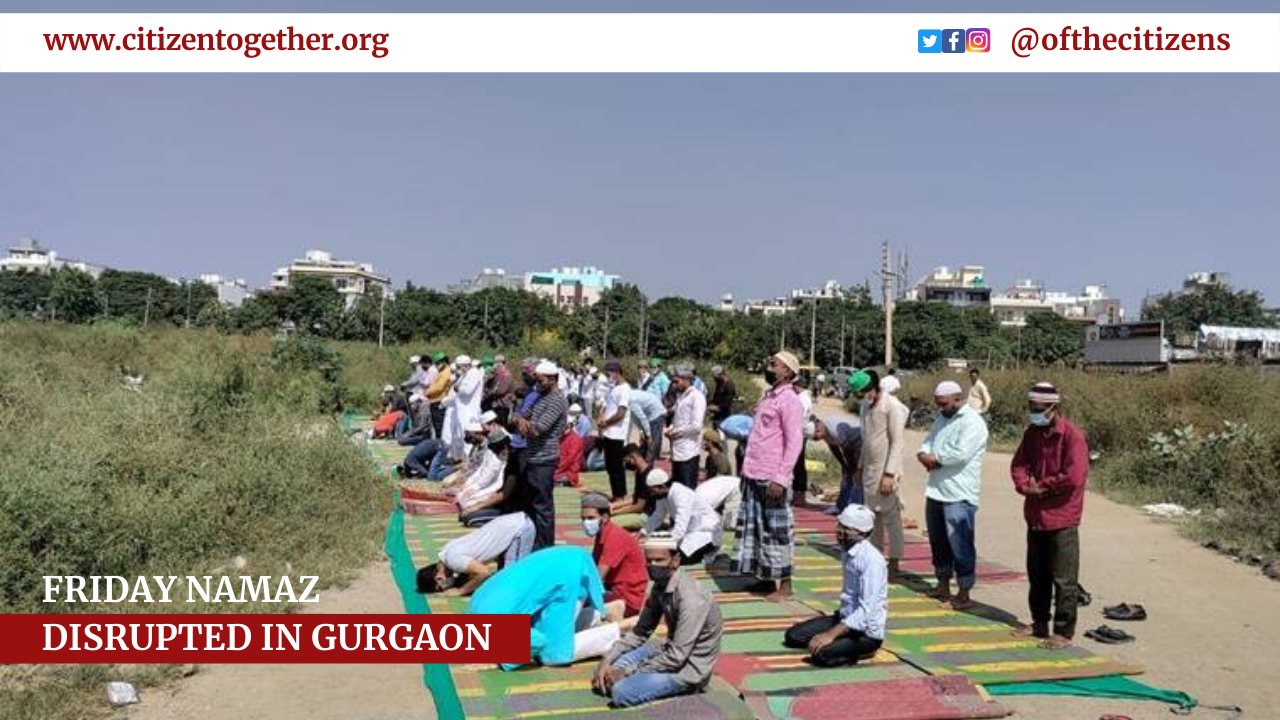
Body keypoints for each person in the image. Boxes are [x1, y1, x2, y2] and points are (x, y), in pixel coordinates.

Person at [593, 536, 723, 708]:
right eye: (649, 560)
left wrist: (627, 672)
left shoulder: (692, 598)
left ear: (675, 561)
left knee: (620, 692)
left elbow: (677, 658)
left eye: (659, 560)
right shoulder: (661, 585)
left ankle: (688, 692)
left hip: (687, 669)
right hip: (669, 651)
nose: (653, 565)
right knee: (612, 667)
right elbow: (640, 632)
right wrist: (606, 660)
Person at [1010, 382, 1090, 650]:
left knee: (1064, 578)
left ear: (1055, 408)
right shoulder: (1031, 433)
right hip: (1035, 515)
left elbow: (1074, 476)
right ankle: (1039, 622)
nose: (1035, 412)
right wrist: (1024, 486)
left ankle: (1064, 631)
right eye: (1032, 408)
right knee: (1037, 574)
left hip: (1062, 516)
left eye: (1040, 409)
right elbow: (1019, 465)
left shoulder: (1072, 436)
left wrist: (1042, 486)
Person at [734, 351, 805, 600]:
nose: (769, 367)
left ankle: (785, 585)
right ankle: (765, 578)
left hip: (772, 475)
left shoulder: (789, 400)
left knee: (778, 530)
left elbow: (794, 441)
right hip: (754, 472)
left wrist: (781, 477)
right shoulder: (769, 397)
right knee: (757, 529)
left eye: (774, 365)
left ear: (787, 371)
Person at [468, 546, 607, 671]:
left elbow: (537, 641)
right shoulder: (477, 614)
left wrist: (502, 663)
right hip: (560, 561)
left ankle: (622, 627)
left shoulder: (496, 629)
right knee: (546, 630)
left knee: (554, 656)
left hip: (568, 570)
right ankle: (599, 613)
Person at [782, 505, 887, 666]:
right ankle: (841, 639)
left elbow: (867, 610)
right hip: (844, 619)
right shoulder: (848, 550)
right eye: (840, 525)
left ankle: (861, 649)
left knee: (821, 655)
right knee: (793, 636)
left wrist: (831, 634)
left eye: (847, 529)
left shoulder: (872, 561)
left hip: (865, 633)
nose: (839, 531)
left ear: (863, 533)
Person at [917, 380, 989, 611]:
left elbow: (961, 454)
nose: (941, 408)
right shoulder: (941, 419)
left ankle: (964, 592)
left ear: (958, 399)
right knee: (938, 542)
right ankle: (942, 585)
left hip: (959, 493)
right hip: (936, 490)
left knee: (960, 545)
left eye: (944, 403)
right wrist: (923, 455)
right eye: (938, 404)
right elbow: (926, 443)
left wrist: (934, 459)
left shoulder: (972, 422)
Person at [850, 369, 909, 576]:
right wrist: (859, 467)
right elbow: (866, 440)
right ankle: (875, 559)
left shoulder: (891, 406)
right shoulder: (866, 406)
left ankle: (894, 563)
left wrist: (889, 474)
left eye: (861, 392)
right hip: (869, 470)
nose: (859, 397)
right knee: (871, 517)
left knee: (890, 517)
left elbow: (897, 442)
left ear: (872, 388)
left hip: (886, 470)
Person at [510, 360, 569, 550]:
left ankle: (545, 546)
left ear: (552, 379)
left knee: (543, 507)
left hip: (545, 458)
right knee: (532, 504)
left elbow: (537, 429)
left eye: (541, 380)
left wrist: (524, 423)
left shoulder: (557, 400)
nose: (537, 384)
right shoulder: (539, 397)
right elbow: (517, 417)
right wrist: (523, 422)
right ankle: (534, 541)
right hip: (533, 455)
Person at [416, 511, 536, 597]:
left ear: (439, 578)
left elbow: (484, 572)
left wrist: (461, 591)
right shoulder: (445, 552)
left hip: (519, 529)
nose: (447, 587)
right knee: (503, 578)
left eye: (442, 588)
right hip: (512, 521)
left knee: (512, 580)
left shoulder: (453, 561)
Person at [582, 492, 647, 633]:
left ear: (604, 517)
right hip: (614, 590)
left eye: (590, 518)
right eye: (583, 518)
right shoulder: (603, 534)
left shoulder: (614, 537)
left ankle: (624, 622)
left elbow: (597, 579)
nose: (586, 523)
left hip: (626, 598)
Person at [643, 469, 720, 565]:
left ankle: (710, 550)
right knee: (653, 543)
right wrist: (643, 532)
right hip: (687, 532)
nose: (651, 494)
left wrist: (664, 546)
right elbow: (658, 516)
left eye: (652, 491)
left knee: (677, 557)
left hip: (705, 533)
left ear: (662, 486)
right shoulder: (661, 495)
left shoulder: (681, 494)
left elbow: (680, 529)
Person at [665, 364, 707, 489]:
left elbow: (696, 427)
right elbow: (679, 419)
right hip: (678, 449)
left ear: (686, 379)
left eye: (676, 381)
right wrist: (671, 428)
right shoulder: (681, 396)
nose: (674, 385)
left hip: (688, 452)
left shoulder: (697, 397)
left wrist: (676, 432)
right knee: (677, 489)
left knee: (687, 490)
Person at [813, 412, 862, 516]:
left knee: (858, 477)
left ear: (819, 423)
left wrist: (852, 468)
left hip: (860, 443)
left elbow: (847, 450)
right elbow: (834, 449)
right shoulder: (824, 432)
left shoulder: (835, 430)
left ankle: (855, 509)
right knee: (846, 475)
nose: (817, 436)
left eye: (817, 432)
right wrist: (843, 465)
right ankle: (840, 507)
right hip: (850, 445)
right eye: (815, 438)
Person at [598, 360, 633, 501]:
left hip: (617, 434)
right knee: (610, 467)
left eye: (609, 373)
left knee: (617, 467)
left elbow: (621, 413)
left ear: (616, 372)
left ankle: (620, 495)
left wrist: (606, 423)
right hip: (609, 433)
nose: (608, 376)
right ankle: (616, 493)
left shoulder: (625, 389)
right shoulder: (614, 387)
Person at [611, 444, 657, 523]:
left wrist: (614, 512)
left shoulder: (647, 476)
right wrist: (613, 505)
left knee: (611, 522)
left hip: (647, 515)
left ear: (632, 456)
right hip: (641, 512)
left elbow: (639, 507)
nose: (626, 464)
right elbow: (635, 499)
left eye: (626, 460)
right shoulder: (640, 472)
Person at [790, 376, 814, 506]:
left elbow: (799, 417)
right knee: (798, 465)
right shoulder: (804, 398)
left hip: (798, 434)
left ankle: (799, 494)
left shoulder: (802, 399)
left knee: (798, 465)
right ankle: (798, 494)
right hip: (799, 434)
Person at [629, 386, 666, 465]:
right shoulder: (628, 397)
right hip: (650, 411)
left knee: (652, 440)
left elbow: (642, 418)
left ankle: (648, 463)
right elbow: (636, 418)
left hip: (656, 412)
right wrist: (642, 431)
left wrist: (648, 435)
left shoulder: (631, 401)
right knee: (647, 438)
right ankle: (650, 459)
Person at [424, 352, 453, 437]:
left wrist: (427, 392)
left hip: (439, 401)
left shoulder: (446, 372)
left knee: (440, 426)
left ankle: (440, 444)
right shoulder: (442, 372)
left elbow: (439, 387)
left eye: (438, 363)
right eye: (435, 363)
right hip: (435, 400)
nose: (436, 365)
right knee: (437, 426)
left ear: (444, 362)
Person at [483, 354, 516, 425]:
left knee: (501, 427)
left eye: (497, 363)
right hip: (495, 406)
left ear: (502, 363)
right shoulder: (495, 374)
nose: (495, 365)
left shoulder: (506, 375)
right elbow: (487, 387)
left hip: (503, 407)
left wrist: (489, 392)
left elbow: (500, 391)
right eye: (495, 363)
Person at [555, 417, 586, 487]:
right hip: (559, 469)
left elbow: (569, 460)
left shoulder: (575, 440)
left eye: (567, 426)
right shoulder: (562, 437)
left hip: (568, 473)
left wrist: (557, 470)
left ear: (571, 426)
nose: (564, 428)